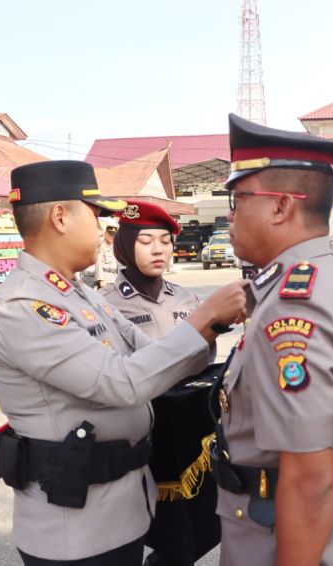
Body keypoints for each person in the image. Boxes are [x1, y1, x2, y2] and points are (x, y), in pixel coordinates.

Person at [0, 160, 247, 566]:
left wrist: (212, 326)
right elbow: (123, 383)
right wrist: (204, 317)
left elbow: (148, 353)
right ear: (60, 217)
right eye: (97, 215)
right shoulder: (23, 306)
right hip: (75, 531)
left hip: (119, 512)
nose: (105, 229)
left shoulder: (78, 293)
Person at [211, 113, 333, 565]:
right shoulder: (324, 280)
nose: (230, 215)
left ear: (280, 206)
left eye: (238, 199)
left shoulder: (296, 304)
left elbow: (309, 480)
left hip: (287, 534)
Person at [100, 200, 220, 566]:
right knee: (157, 532)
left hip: (192, 432)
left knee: (204, 527)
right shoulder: (105, 306)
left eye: (165, 241)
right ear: (124, 245)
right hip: (143, 429)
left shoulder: (186, 298)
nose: (158, 250)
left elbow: (207, 354)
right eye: (146, 240)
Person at [92, 221, 120, 289]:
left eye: (114, 235)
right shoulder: (101, 246)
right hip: (105, 278)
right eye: (110, 234)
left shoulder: (114, 247)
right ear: (106, 234)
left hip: (114, 278)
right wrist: (101, 279)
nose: (112, 237)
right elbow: (98, 264)